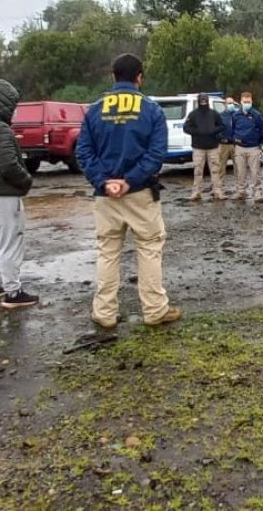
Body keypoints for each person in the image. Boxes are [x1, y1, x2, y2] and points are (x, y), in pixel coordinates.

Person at [76, 53, 181, 328]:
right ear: (139, 77)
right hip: (140, 193)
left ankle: (104, 313)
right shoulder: (151, 110)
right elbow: (156, 154)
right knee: (149, 249)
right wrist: (130, 181)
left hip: (105, 196)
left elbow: (84, 152)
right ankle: (155, 309)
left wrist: (103, 181)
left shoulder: (94, 110)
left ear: (113, 76)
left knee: (107, 252)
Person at [0, 79, 38, 309]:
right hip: (3, 196)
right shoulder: (0, 129)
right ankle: (13, 292)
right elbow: (9, 165)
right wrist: (26, 181)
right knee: (10, 244)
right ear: (5, 102)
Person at [183, 93, 226, 201]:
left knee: (215, 170)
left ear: (208, 100)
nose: (203, 102)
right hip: (198, 147)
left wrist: (213, 130)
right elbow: (186, 128)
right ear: (198, 101)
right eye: (201, 100)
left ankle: (217, 191)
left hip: (213, 147)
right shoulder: (193, 114)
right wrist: (197, 132)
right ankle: (196, 192)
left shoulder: (214, 113)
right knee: (198, 171)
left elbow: (222, 126)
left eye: (205, 100)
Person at [231, 91, 263, 201]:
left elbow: (262, 130)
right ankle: (241, 191)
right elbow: (233, 129)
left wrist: (261, 143)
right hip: (239, 147)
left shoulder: (257, 115)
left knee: (255, 172)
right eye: (245, 101)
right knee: (240, 172)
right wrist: (235, 139)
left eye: (249, 102)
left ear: (252, 101)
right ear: (241, 102)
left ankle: (258, 192)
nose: (247, 103)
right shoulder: (235, 115)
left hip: (253, 147)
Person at [218, 95, 238, 176]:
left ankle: (239, 183)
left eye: (232, 103)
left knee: (238, 167)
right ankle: (219, 183)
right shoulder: (220, 116)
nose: (231, 105)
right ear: (225, 104)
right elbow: (216, 129)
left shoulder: (237, 115)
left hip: (236, 144)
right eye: (229, 103)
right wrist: (221, 138)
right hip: (224, 144)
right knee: (221, 166)